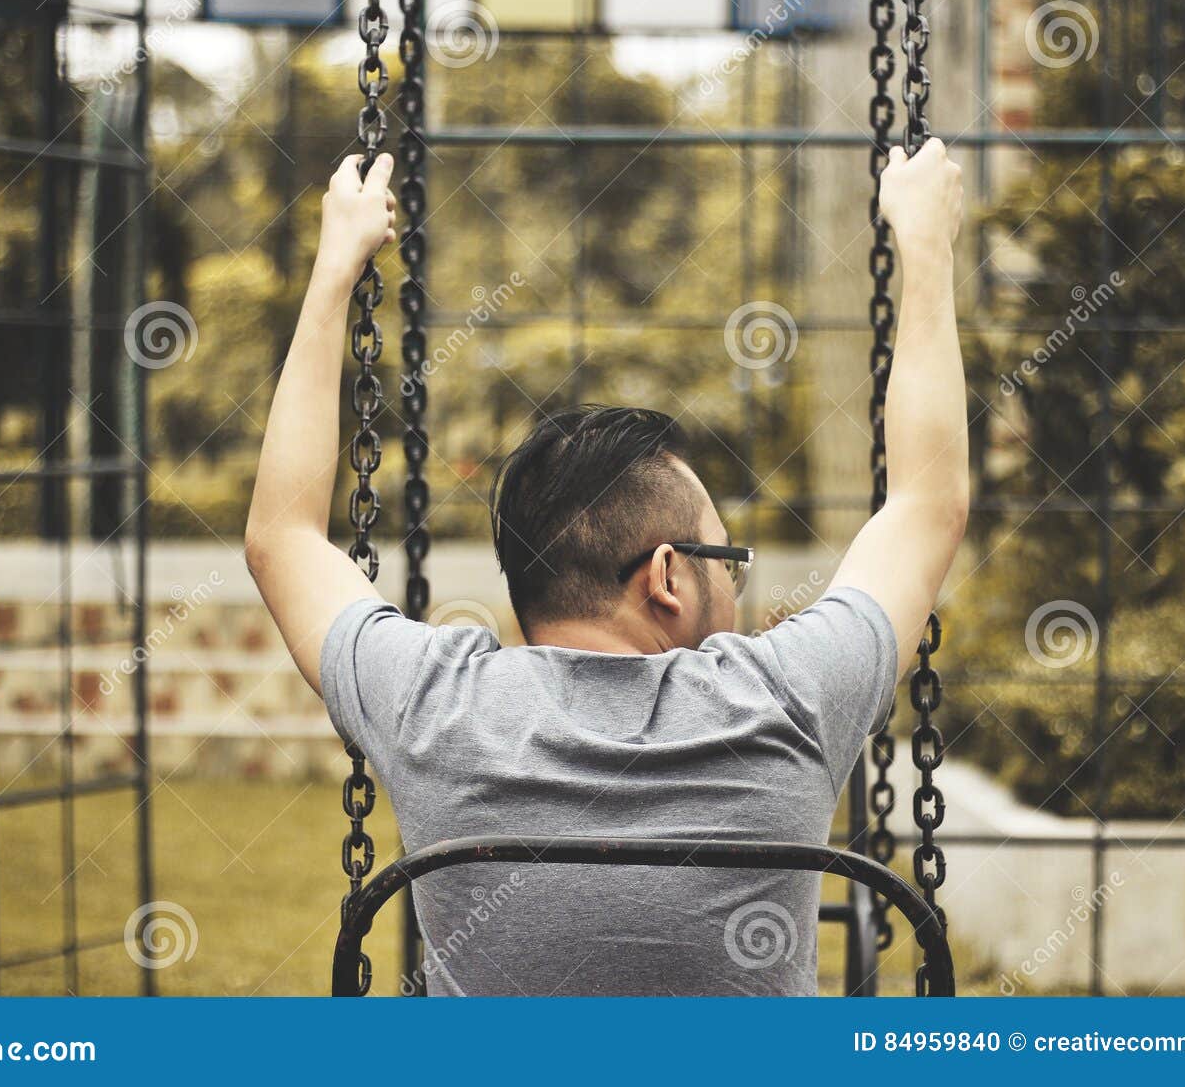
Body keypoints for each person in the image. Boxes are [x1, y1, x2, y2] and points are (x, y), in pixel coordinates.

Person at [245, 140, 967, 995]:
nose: (737, 581)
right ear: (665, 575)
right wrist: (923, 243)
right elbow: (927, 505)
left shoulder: (433, 708)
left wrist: (336, 267)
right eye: (724, 556)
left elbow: (282, 537)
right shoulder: (785, 700)